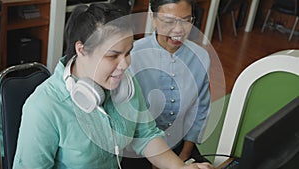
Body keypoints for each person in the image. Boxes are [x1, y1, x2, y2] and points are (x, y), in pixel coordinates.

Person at [12, 3, 214, 169]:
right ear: (82, 49)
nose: (125, 64)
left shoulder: (125, 85)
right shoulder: (43, 108)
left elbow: (145, 134)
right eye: (113, 55)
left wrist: (180, 168)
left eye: (128, 53)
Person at [123, 0, 212, 168]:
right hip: (137, 150)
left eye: (186, 20)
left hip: (180, 147)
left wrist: (184, 156)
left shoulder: (201, 57)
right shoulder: (132, 56)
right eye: (169, 21)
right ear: (153, 18)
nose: (178, 30)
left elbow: (199, 110)